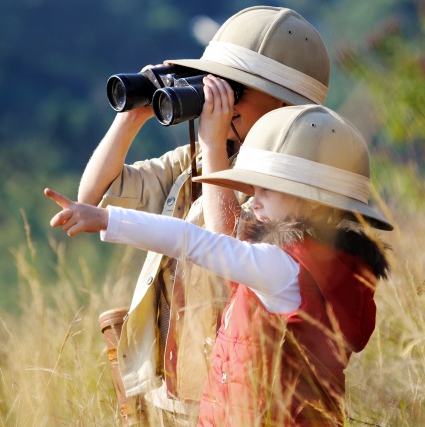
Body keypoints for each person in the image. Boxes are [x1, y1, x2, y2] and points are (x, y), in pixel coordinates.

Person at [46, 104, 393, 425]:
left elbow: (193, 241)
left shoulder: (282, 269)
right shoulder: (331, 271)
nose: (254, 200)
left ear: (315, 205)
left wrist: (106, 219)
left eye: (268, 189)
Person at [78, 5, 331, 421]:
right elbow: (94, 196)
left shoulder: (293, 190)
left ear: (286, 105)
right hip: (171, 390)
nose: (222, 99)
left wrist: (214, 147)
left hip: (234, 395)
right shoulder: (196, 160)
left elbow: (232, 259)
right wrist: (134, 114)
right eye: (216, 84)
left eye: (237, 89)